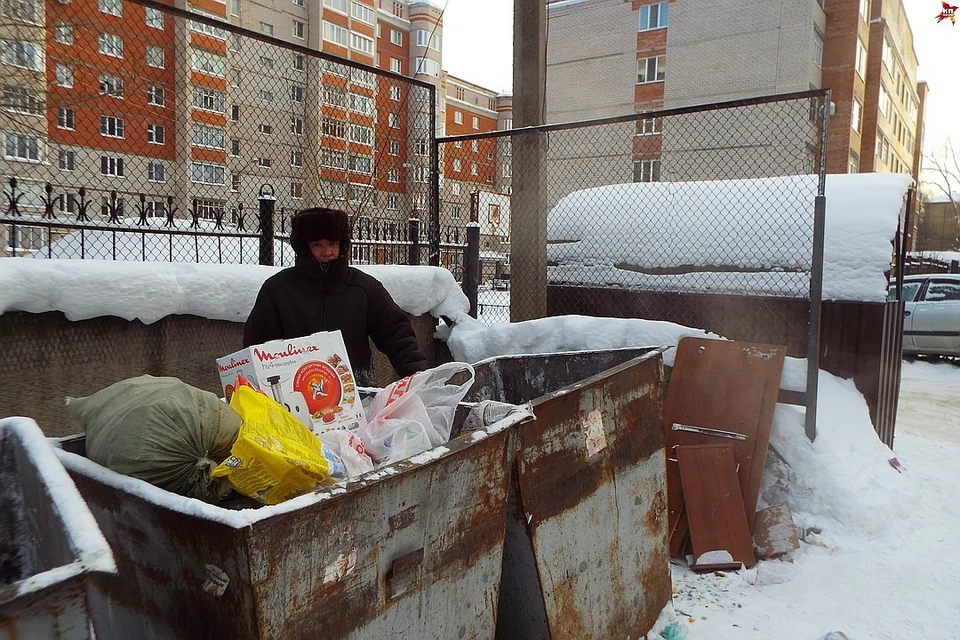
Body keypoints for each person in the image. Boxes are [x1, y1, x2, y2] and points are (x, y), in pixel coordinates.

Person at [243, 207, 428, 386]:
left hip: (354, 388)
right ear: (304, 247)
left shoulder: (363, 288)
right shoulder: (278, 289)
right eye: (318, 245)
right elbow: (258, 345)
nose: (327, 252)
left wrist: (417, 377)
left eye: (333, 243)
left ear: (342, 245)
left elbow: (396, 334)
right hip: (296, 388)